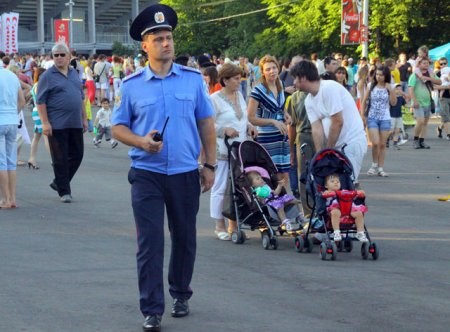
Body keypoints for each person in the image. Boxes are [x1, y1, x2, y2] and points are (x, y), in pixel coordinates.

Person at [111, 4, 216, 332]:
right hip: (147, 173)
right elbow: (117, 128)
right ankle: (152, 308)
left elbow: (206, 123)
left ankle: (181, 293)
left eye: (168, 37)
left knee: (185, 237)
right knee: (150, 242)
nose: (166, 43)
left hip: (185, 171)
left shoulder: (192, 81)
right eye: (158, 38)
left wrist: (210, 164)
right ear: (145, 46)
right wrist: (142, 142)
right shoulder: (131, 86)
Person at [291, 60, 367, 185]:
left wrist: (328, 151)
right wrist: (320, 156)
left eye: (295, 79)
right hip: (336, 146)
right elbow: (316, 129)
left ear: (303, 78)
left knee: (345, 186)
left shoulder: (329, 88)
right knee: (331, 189)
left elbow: (338, 122)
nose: (294, 83)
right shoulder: (309, 100)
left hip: (351, 142)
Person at [209, 63, 256, 240]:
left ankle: (233, 223)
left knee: (239, 185)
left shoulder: (239, 95)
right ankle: (219, 224)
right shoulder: (214, 99)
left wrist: (250, 126)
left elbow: (242, 118)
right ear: (225, 80)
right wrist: (224, 130)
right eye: (236, 79)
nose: (239, 81)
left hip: (241, 148)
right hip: (223, 148)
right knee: (221, 185)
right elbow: (208, 125)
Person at [37, 42, 88, 203]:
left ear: (69, 57)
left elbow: (80, 97)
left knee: (78, 155)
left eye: (62, 55)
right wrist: (45, 122)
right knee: (60, 158)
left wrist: (84, 118)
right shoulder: (47, 76)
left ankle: (58, 182)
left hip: (75, 123)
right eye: (55, 55)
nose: (59, 58)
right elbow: (40, 101)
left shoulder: (74, 73)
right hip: (57, 124)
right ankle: (64, 192)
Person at [247, 55, 291, 185]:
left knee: (284, 178)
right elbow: (251, 118)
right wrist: (272, 121)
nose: (272, 71)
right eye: (268, 69)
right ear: (263, 72)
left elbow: (279, 107)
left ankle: (282, 204)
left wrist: (285, 114)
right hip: (267, 138)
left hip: (281, 136)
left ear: (278, 68)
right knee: (272, 178)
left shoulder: (281, 85)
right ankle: (274, 204)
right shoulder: (258, 91)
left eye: (274, 68)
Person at [362, 65, 397, 177]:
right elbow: (364, 101)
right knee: (375, 143)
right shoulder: (371, 86)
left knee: (382, 144)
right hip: (372, 117)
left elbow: (393, 103)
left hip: (385, 118)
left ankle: (380, 168)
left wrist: (391, 90)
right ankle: (374, 164)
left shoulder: (389, 86)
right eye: (377, 74)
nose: (379, 77)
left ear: (386, 76)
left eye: (381, 75)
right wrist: (362, 115)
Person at [0, 59, 25, 208]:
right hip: (12, 120)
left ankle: (5, 199)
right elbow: (22, 101)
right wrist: (12, 113)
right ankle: (13, 198)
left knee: (1, 162)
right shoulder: (12, 76)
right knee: (11, 161)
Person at [323, 174, 368, 242]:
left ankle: (360, 232)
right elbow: (323, 195)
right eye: (332, 182)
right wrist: (327, 194)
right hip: (334, 209)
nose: (335, 183)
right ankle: (336, 232)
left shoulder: (344, 191)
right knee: (335, 212)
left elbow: (353, 193)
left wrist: (359, 192)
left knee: (359, 213)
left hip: (348, 209)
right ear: (326, 185)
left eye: (338, 182)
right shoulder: (327, 192)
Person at [408, 56, 441, 149]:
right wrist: (414, 100)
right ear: (419, 64)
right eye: (424, 63)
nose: (426, 65)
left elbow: (439, 82)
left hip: (428, 102)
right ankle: (415, 140)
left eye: (427, 63)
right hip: (418, 102)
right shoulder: (414, 75)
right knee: (420, 121)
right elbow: (410, 89)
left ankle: (422, 141)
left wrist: (429, 78)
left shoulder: (430, 74)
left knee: (425, 123)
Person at [28, 67, 49, 169]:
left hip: (36, 112)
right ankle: (54, 160)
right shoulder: (41, 85)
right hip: (41, 112)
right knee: (47, 136)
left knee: (37, 137)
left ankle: (32, 159)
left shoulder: (35, 85)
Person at [389, 84, 408, 149]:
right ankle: (385, 140)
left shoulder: (401, 98)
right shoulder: (391, 97)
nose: (400, 90)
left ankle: (395, 143)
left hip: (399, 116)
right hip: (392, 116)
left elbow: (406, 104)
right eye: (398, 89)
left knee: (398, 130)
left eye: (400, 89)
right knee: (391, 130)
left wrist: (405, 96)